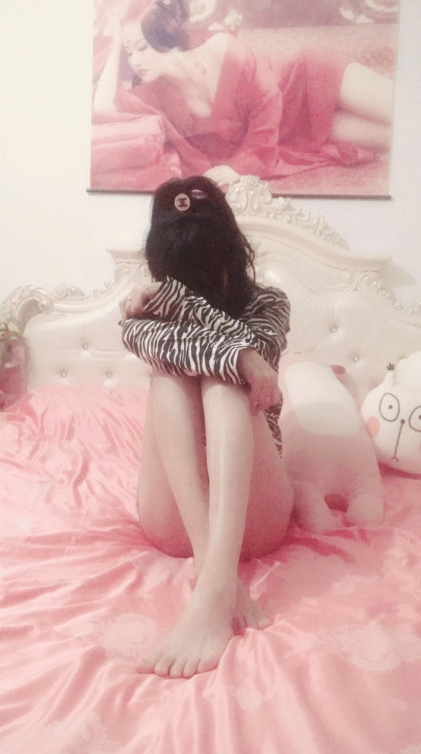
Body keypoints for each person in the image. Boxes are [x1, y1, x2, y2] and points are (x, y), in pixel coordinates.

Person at [119, 175, 293, 678]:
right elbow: (155, 342)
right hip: (177, 522)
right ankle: (217, 575)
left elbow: (253, 352)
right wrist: (239, 354)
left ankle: (213, 584)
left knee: (225, 380)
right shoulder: (146, 312)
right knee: (169, 374)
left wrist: (179, 303)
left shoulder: (269, 304)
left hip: (255, 518)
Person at [93, 0, 394, 189]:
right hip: (297, 134)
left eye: (142, 47)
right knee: (398, 138)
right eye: (130, 52)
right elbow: (103, 106)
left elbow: (268, 101)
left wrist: (237, 168)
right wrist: (119, 38)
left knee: (404, 112)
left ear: (167, 37)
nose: (136, 61)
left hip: (310, 79)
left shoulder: (220, 48)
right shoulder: (153, 93)